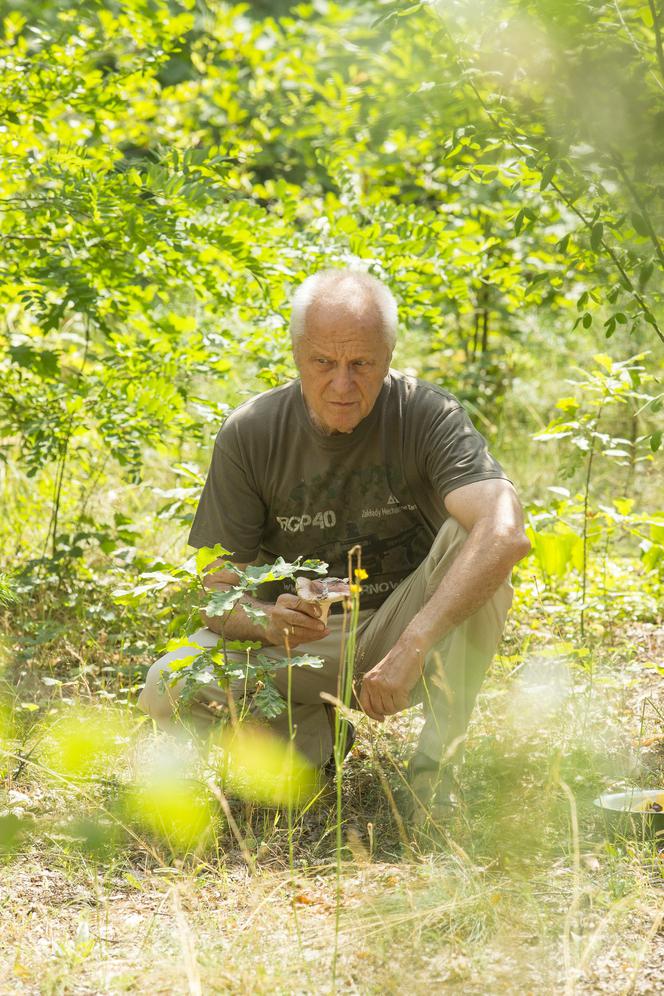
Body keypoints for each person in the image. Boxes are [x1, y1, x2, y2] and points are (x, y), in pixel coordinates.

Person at [138, 268, 530, 825]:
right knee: (167, 684)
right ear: (298, 354)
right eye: (324, 362)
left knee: (481, 537)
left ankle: (435, 767)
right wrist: (269, 620)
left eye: (361, 364)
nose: (342, 384)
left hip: (403, 623)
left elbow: (505, 529)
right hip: (303, 645)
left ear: (389, 354)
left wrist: (414, 642)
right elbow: (218, 595)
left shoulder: (426, 414)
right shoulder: (251, 432)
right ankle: (315, 741)